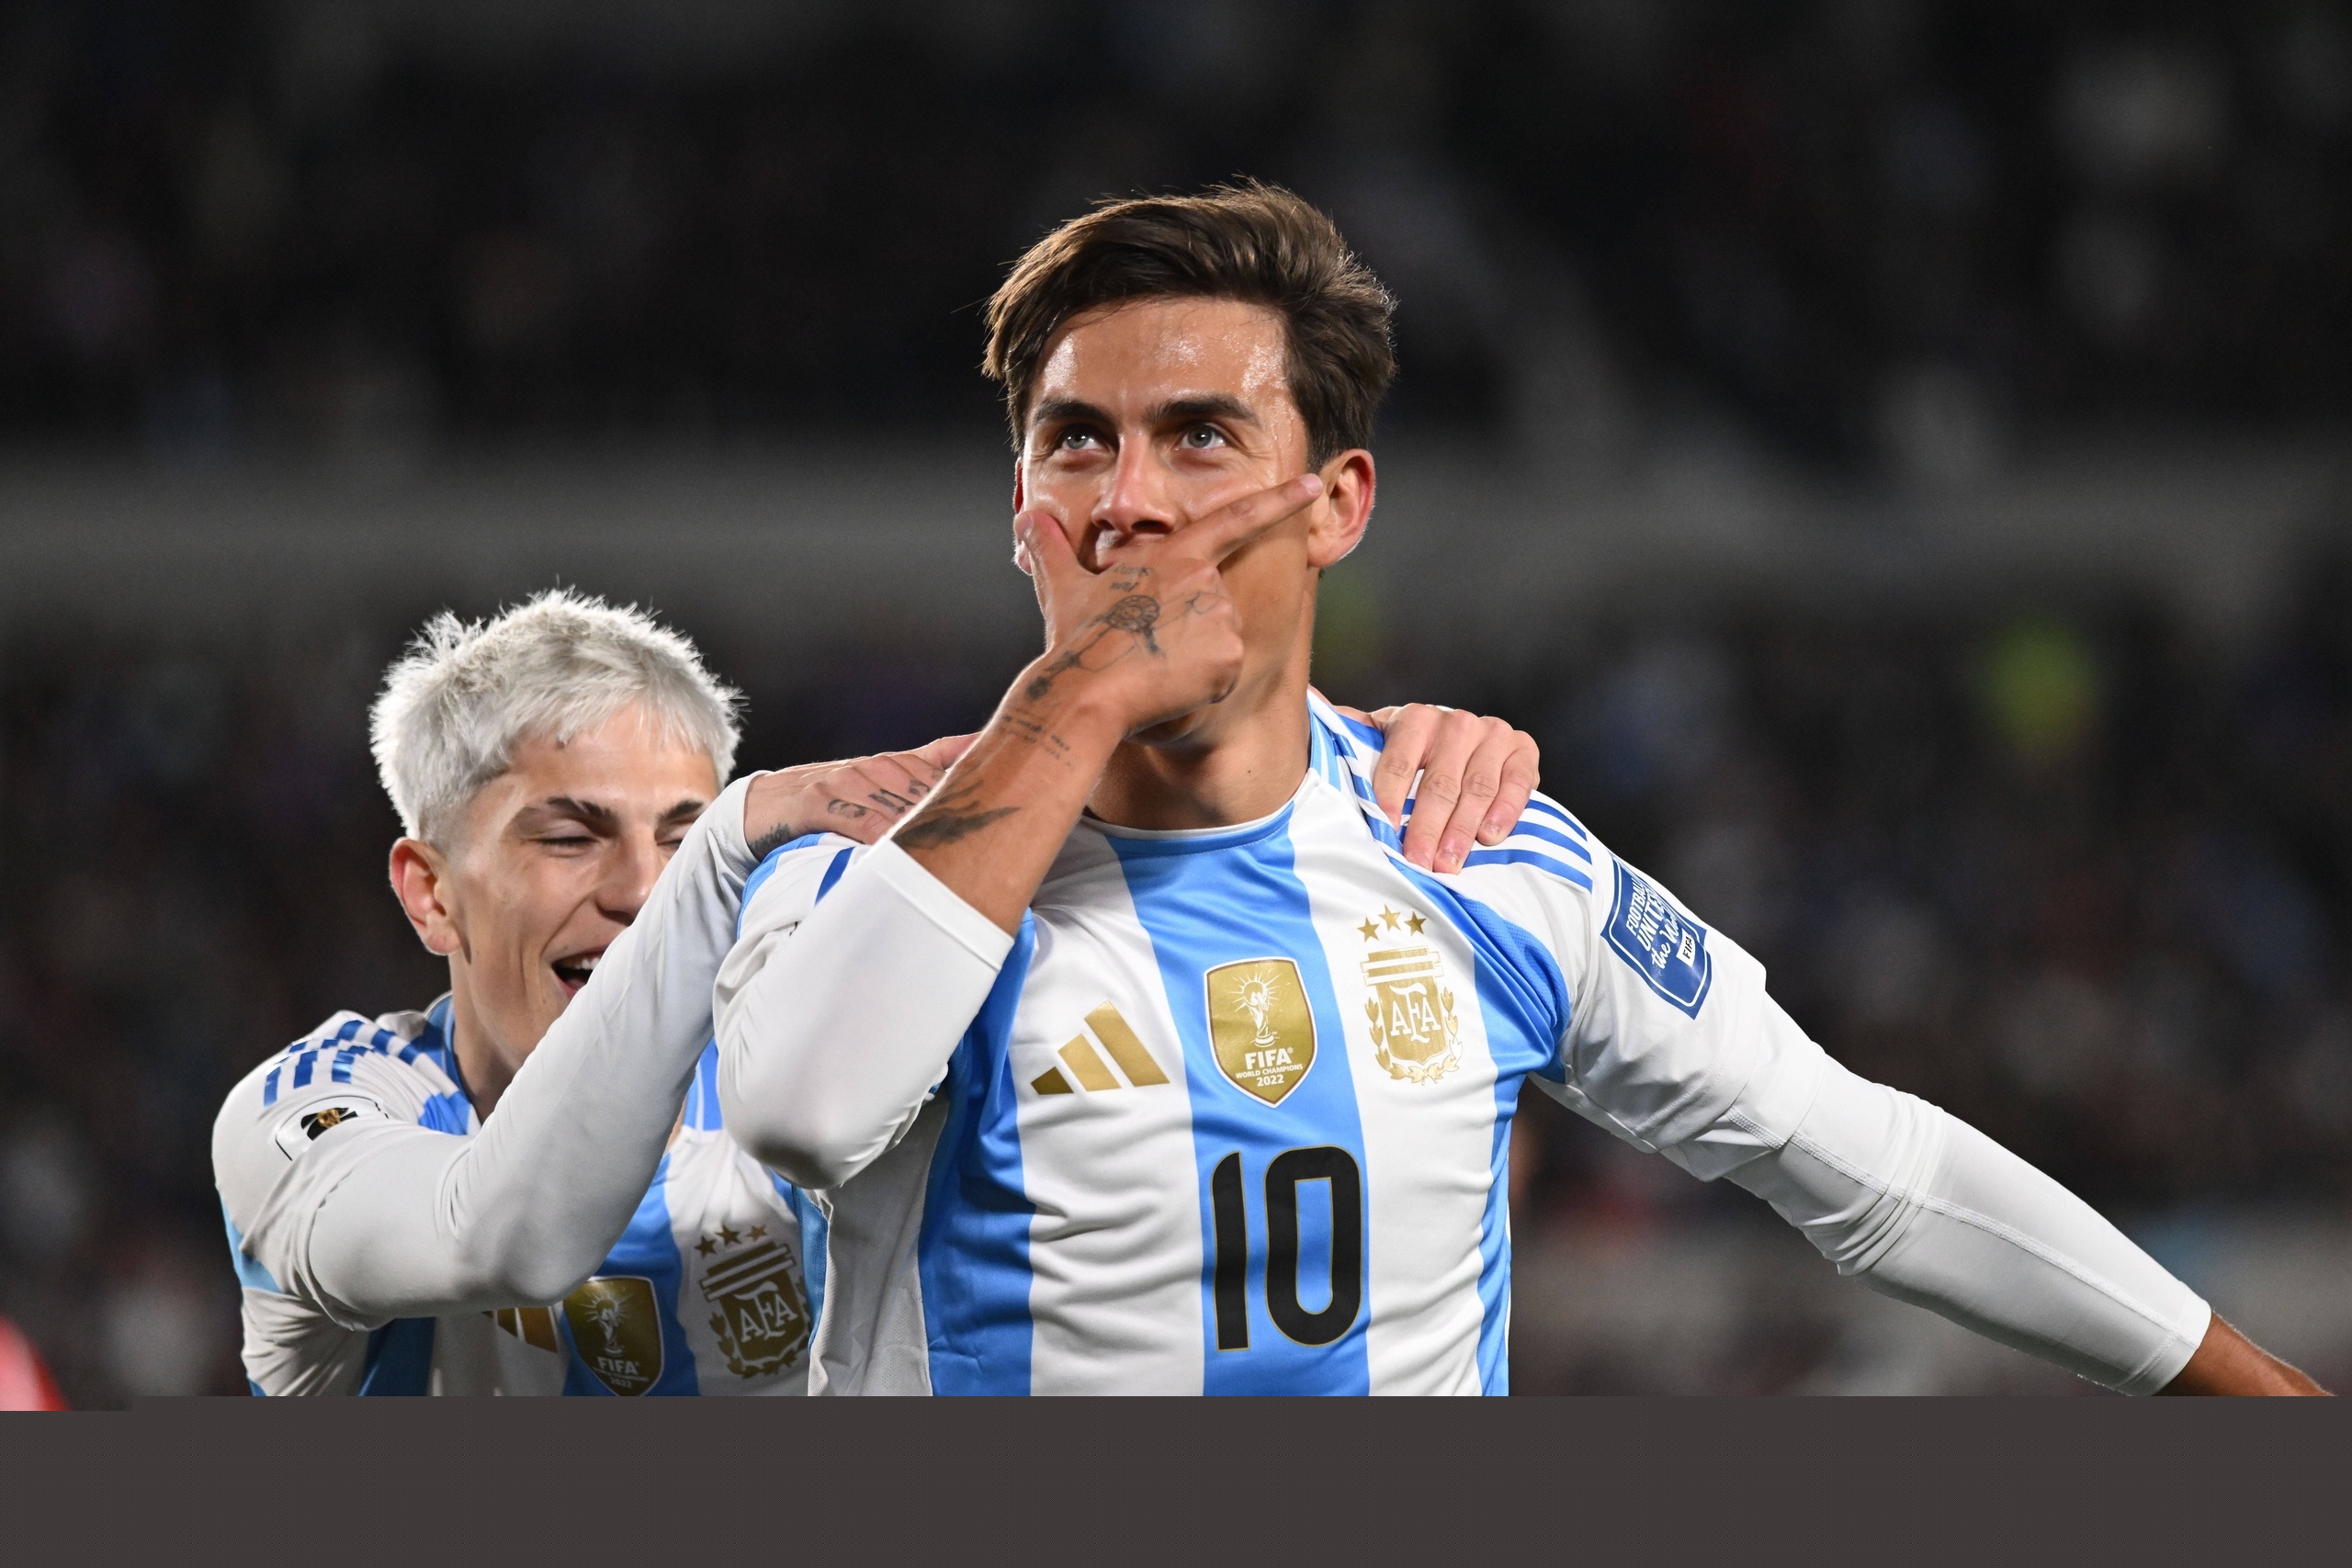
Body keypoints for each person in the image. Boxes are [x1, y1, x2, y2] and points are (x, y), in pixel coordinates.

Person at [714, 183, 2324, 1396]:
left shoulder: (1473, 845)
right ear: (1021, 510)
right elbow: (802, 1108)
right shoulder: (856, 860)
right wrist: (1070, 705)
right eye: (1076, 443)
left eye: (1200, 437)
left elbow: (1877, 1174)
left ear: (1337, 504)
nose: (1128, 501)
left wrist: (2269, 1409)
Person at [215, 589, 1542, 1394]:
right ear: (430, 892)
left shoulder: (814, 1081)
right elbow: (503, 1235)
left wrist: (1350, 768)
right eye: (569, 837)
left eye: (685, 837)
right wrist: (732, 843)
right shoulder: (319, 1116)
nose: (643, 892)